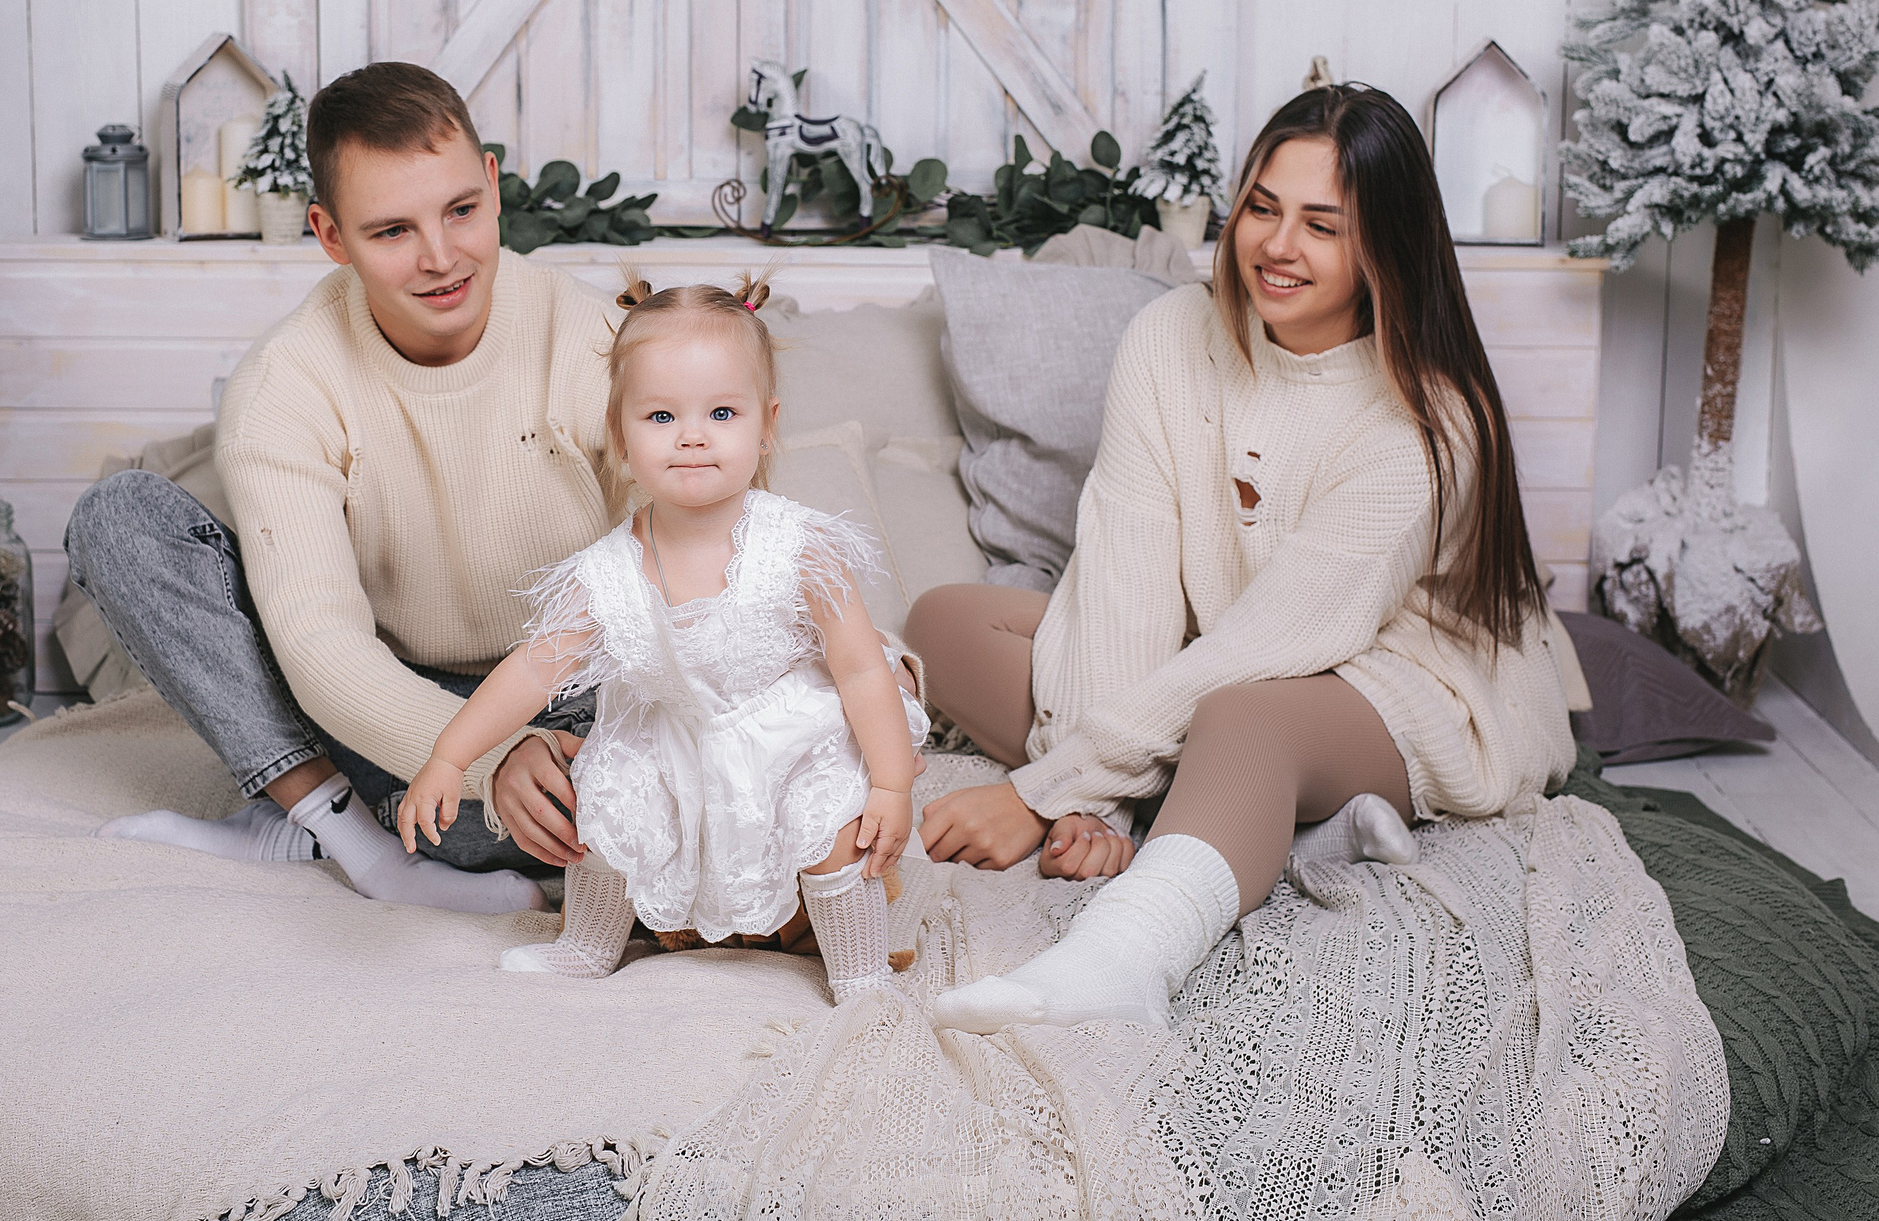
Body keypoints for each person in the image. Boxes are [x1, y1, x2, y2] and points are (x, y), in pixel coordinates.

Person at [911, 83, 1579, 1032]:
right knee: (944, 620)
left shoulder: (1427, 424)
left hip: (1393, 680)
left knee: (1245, 717)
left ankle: (1119, 964)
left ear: (1383, 245)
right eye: (1262, 207)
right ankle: (1255, 814)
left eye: (1323, 225)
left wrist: (1040, 789)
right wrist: (1092, 797)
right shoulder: (1170, 336)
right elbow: (1124, 570)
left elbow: (1276, 641)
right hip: (1220, 649)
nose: (1277, 245)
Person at [68, 62, 619, 914]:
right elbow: (321, 647)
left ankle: (321, 821)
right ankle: (359, 841)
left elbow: (706, 565)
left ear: (493, 187)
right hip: (379, 713)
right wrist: (487, 758)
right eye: (392, 231)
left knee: (653, 792)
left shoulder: (590, 336)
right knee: (117, 517)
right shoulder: (286, 381)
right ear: (330, 235)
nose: (441, 258)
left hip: (571, 704)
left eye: (461, 211)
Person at [398, 278, 928, 1003]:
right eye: (660, 414)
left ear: (765, 424)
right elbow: (532, 670)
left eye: (721, 411)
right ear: (621, 435)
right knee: (609, 801)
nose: (692, 434)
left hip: (787, 732)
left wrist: (892, 782)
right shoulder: (606, 573)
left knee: (831, 825)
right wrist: (449, 756)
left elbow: (862, 670)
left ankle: (861, 975)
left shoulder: (799, 548)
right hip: (675, 740)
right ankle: (584, 946)